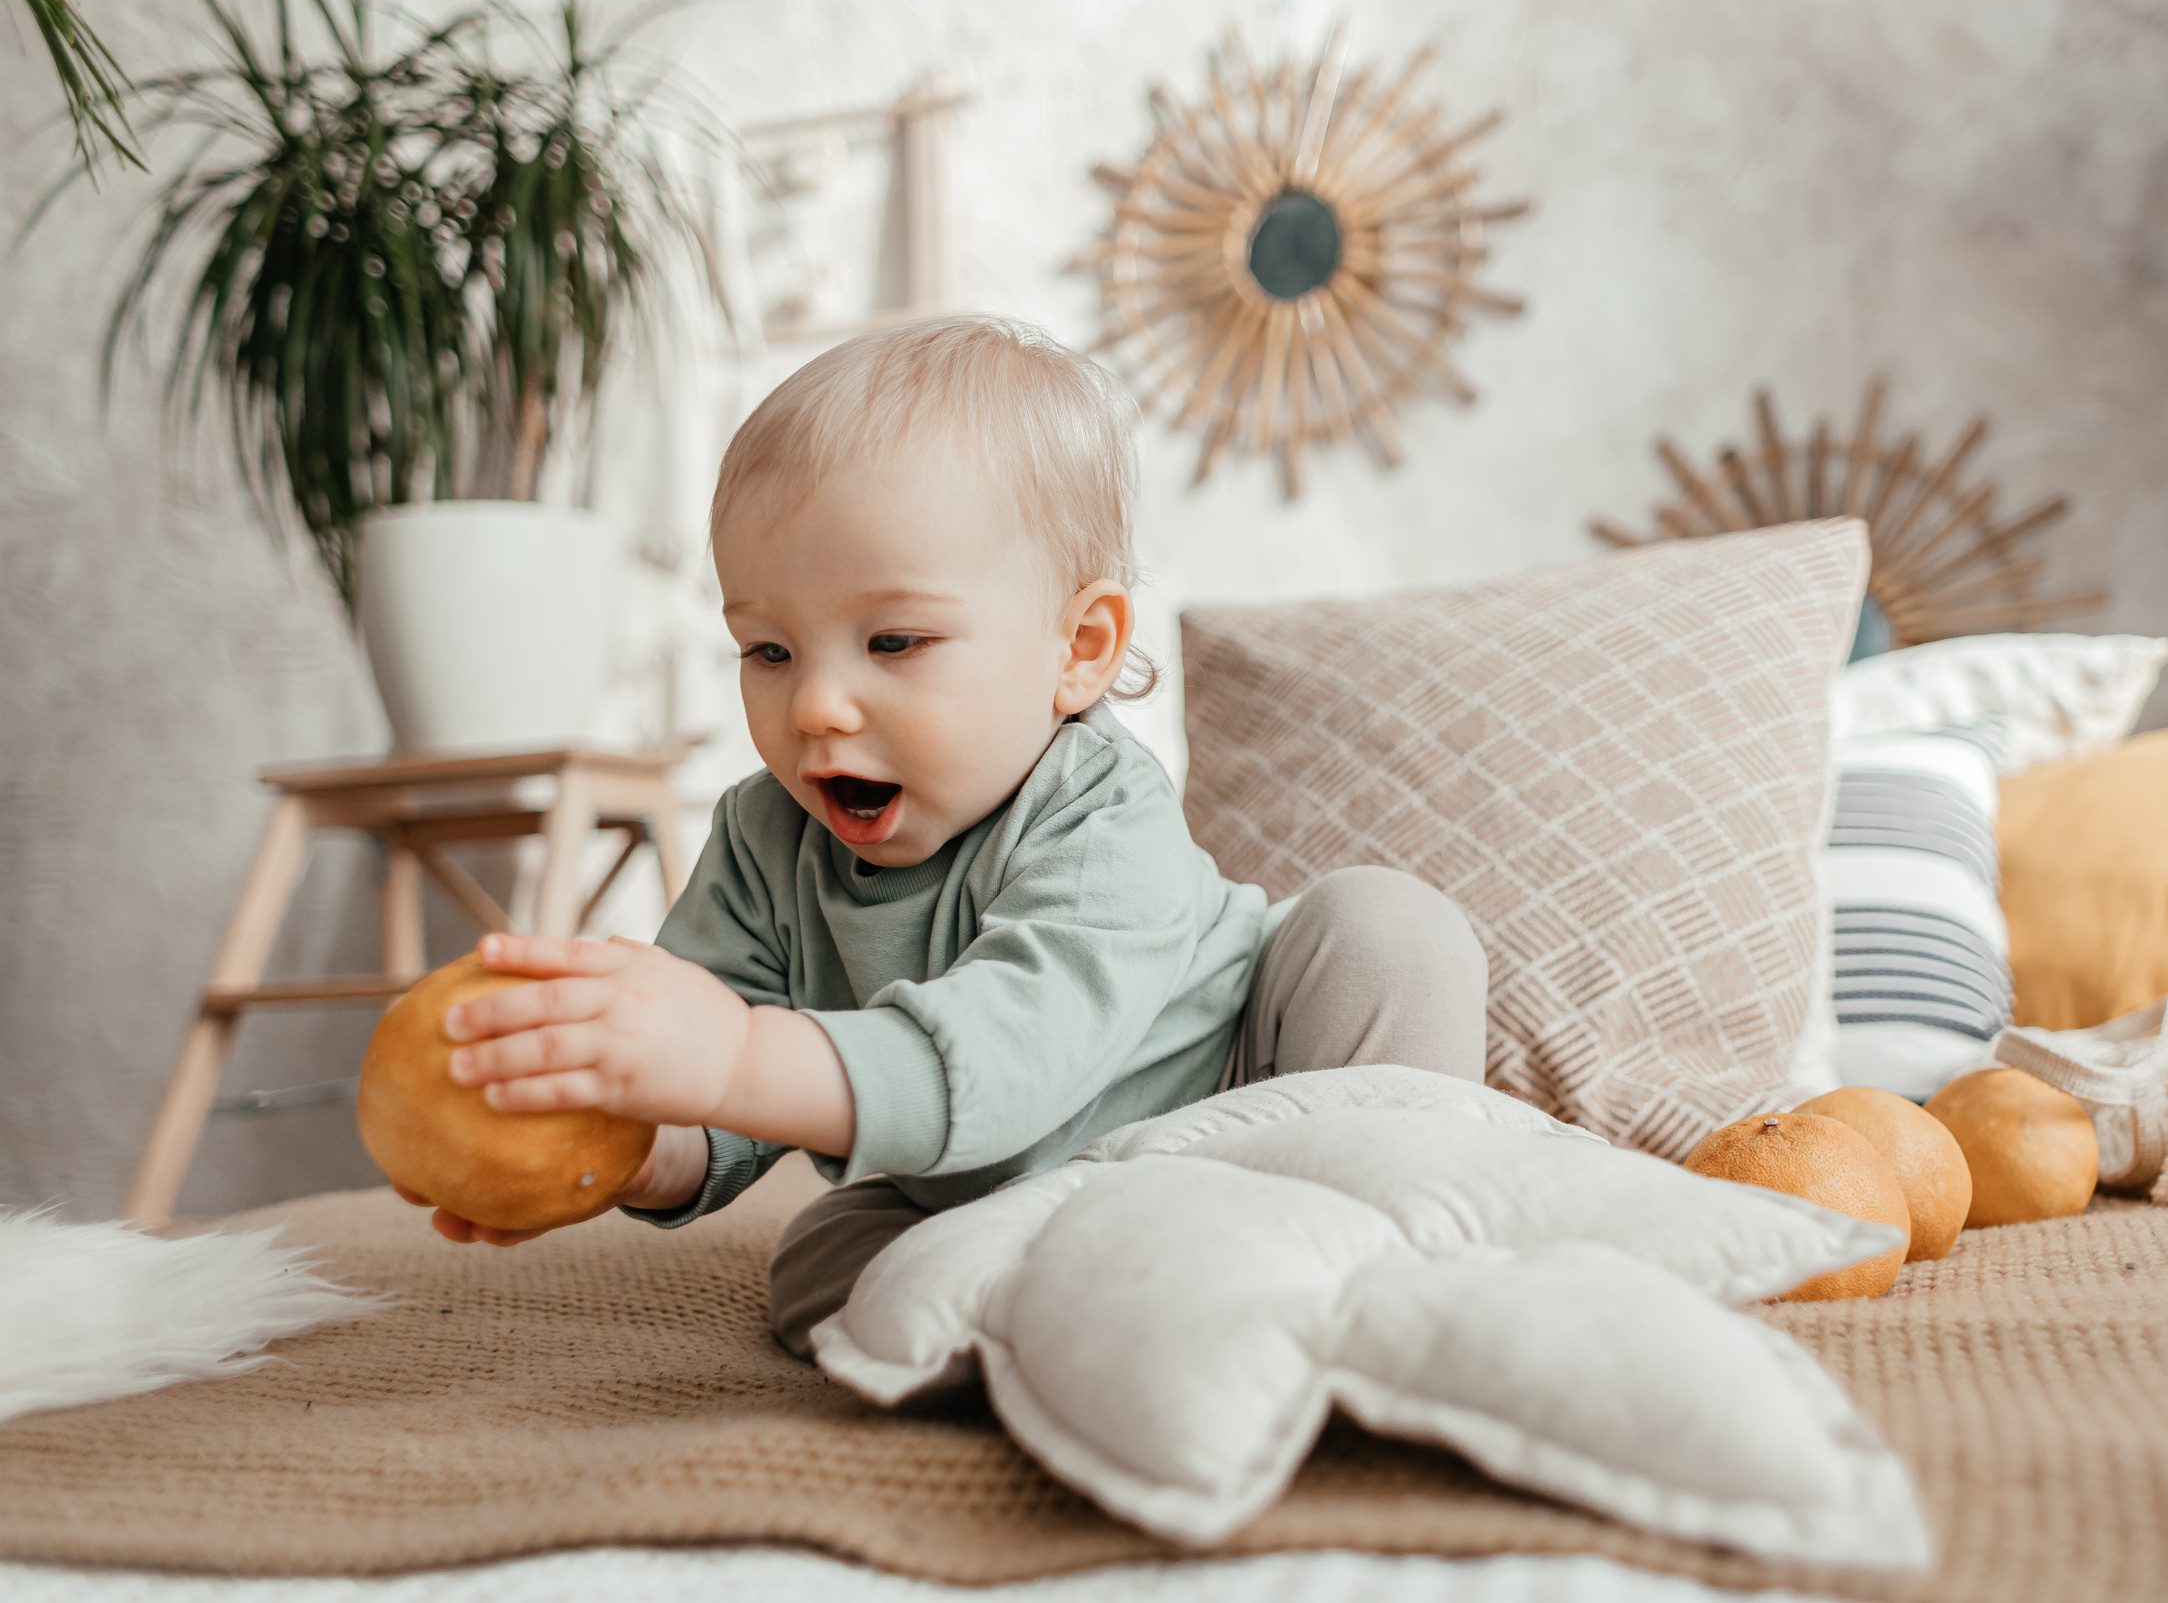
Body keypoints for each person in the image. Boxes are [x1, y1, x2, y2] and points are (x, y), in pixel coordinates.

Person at [406, 315, 1489, 1356]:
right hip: (1005, 1191)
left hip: (1248, 1114)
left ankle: (1396, 1239)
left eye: (894, 640)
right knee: (822, 1265)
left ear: (1079, 646)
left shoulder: (1104, 811)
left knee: (1385, 931)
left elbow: (1007, 1060)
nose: (817, 706)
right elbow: (721, 1118)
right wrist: (621, 1139)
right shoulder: (761, 838)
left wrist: (728, 1054)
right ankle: (1117, 1306)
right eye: (768, 652)